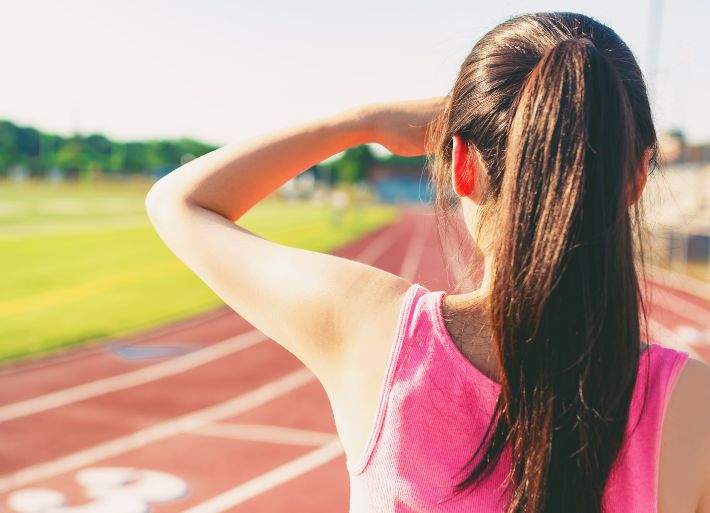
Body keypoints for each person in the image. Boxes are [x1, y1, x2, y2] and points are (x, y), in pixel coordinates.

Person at [145, 11, 710, 513]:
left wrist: (361, 122)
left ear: (460, 165)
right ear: (637, 178)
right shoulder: (694, 404)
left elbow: (179, 202)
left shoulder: (376, 333)